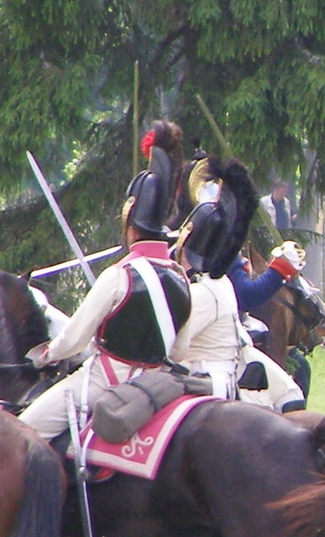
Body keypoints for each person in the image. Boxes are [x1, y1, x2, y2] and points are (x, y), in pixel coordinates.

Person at [19, 125, 195, 439]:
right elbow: (179, 351)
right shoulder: (180, 277)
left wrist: (46, 354)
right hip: (155, 387)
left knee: (23, 433)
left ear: (131, 226)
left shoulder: (119, 276)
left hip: (106, 382)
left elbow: (73, 340)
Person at [171, 155, 300, 397]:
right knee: (290, 394)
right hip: (209, 353)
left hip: (216, 340)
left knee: (291, 389)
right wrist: (280, 269)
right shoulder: (216, 245)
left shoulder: (181, 238)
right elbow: (246, 297)